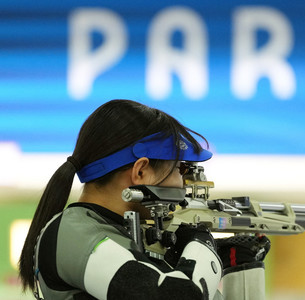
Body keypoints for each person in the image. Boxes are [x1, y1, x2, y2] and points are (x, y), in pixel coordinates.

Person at [19, 99, 270, 300]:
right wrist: (202, 245)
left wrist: (240, 268)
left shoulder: (136, 239)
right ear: (140, 171)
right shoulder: (73, 232)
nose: (182, 184)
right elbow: (176, 296)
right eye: (178, 170)